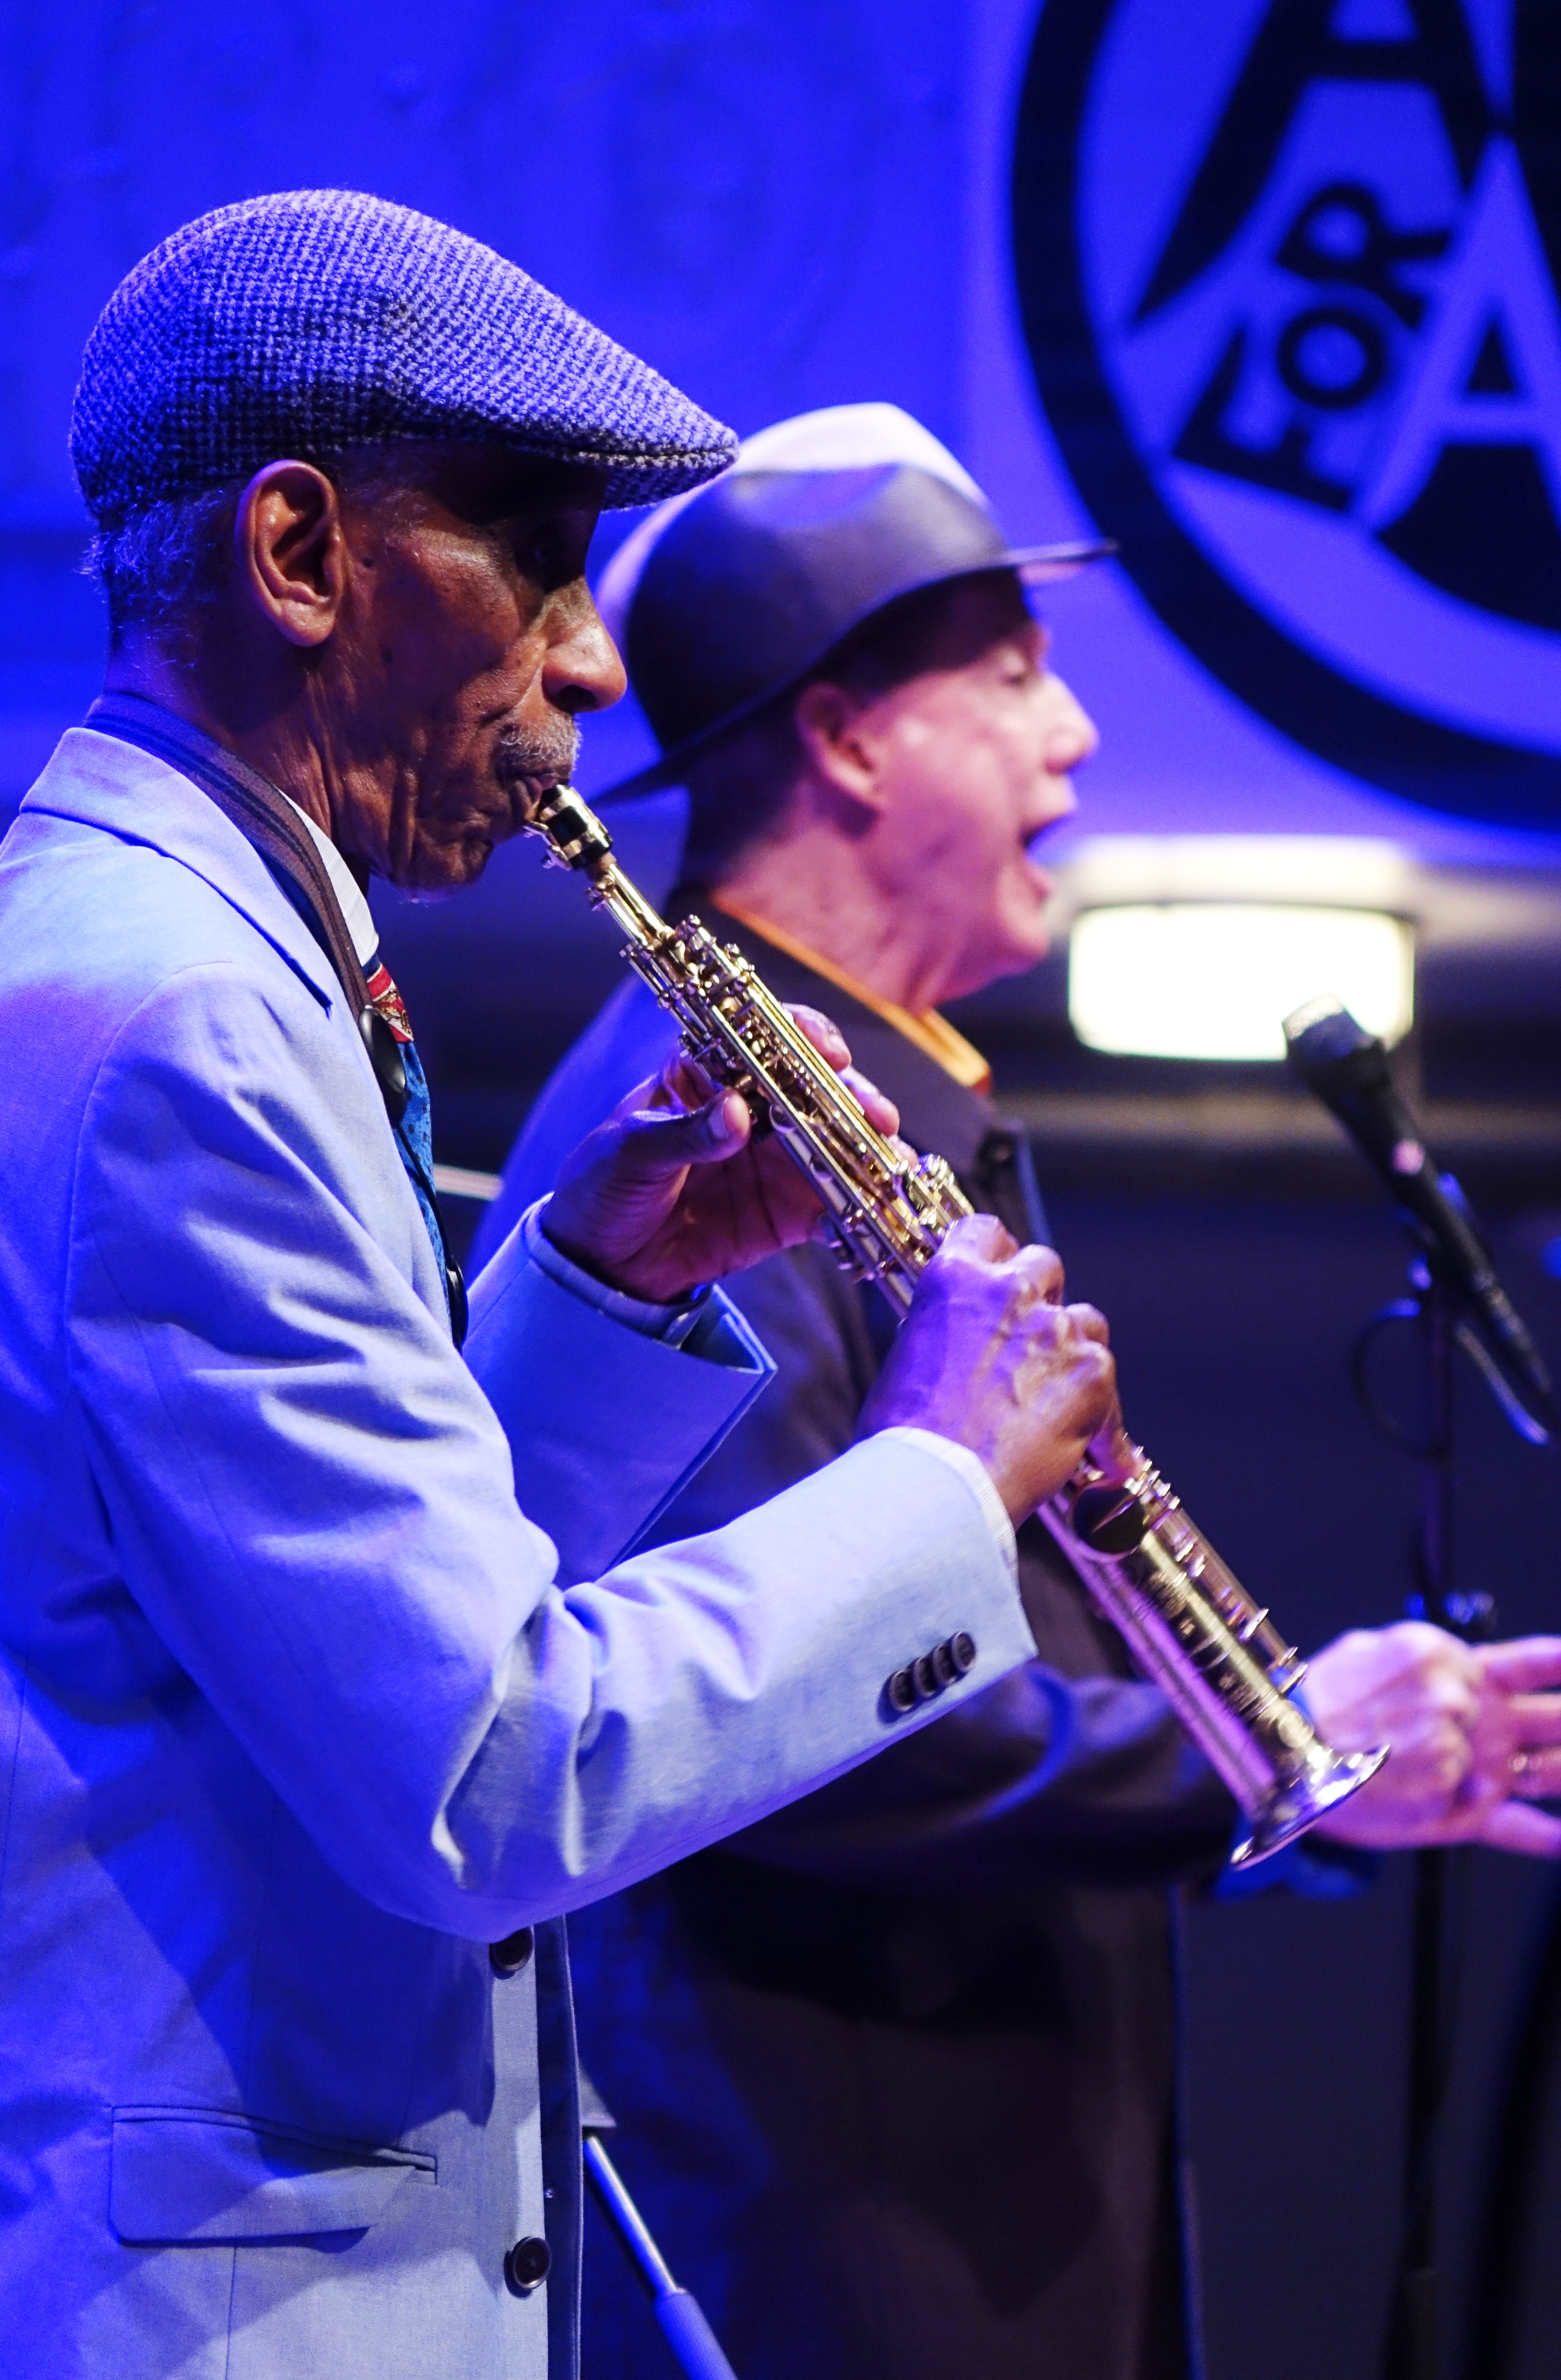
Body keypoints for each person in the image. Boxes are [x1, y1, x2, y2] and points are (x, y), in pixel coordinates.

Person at [0, 204, 1151, 2380]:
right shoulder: (177, 1021)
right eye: (534, 551)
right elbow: (484, 1773)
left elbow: (297, 1639)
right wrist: (930, 1480)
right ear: (302, 551)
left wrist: (599, 1294)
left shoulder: (155, 949)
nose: (594, 659)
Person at [475, 403, 1561, 2380]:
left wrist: (1296, 1741)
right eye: (1014, 677)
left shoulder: (874, 1087)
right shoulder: (698, 1113)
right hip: (832, 2232)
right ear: (848, 731)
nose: (1073, 735)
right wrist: (1260, 1739)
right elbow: (794, 1711)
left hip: (954, 2202)